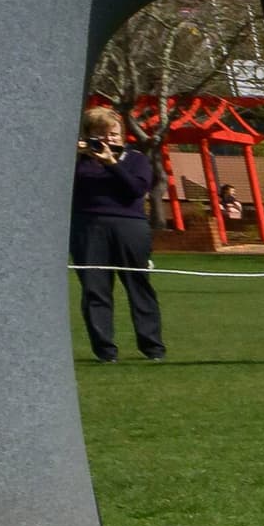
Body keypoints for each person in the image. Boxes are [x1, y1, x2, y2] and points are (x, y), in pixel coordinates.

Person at [71, 98, 169, 362]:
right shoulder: (76, 162)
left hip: (130, 227)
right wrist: (80, 155)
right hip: (88, 227)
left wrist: (111, 163)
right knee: (95, 288)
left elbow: (136, 190)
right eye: (100, 134)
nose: (107, 139)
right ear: (88, 135)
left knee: (138, 285)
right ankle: (105, 350)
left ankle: (153, 347)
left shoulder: (135, 159)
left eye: (113, 133)